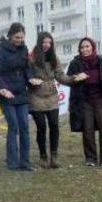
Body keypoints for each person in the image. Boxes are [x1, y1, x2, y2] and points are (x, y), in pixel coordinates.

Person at [28, 31, 87, 168]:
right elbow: (27, 74)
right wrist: (30, 80)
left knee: (54, 125)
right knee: (41, 127)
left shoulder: (54, 58)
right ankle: (43, 156)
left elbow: (60, 76)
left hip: (52, 95)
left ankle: (54, 156)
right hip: (36, 95)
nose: (46, 45)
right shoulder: (31, 58)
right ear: (39, 42)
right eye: (44, 42)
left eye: (49, 42)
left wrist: (74, 78)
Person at [0, 22, 41, 171]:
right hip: (7, 94)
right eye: (17, 37)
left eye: (22, 37)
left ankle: (25, 162)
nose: (20, 40)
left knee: (24, 127)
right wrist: (2, 88)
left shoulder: (24, 49)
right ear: (10, 36)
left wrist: (31, 78)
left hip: (21, 92)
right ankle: (12, 162)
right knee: (13, 125)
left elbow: (27, 68)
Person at [67, 37, 102, 167]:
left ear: (92, 47)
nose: (85, 49)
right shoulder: (75, 63)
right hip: (84, 101)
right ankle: (90, 158)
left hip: (101, 100)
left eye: (87, 46)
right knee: (88, 129)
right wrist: (76, 77)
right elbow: (68, 79)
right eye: (82, 47)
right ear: (79, 50)